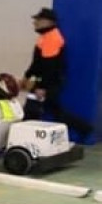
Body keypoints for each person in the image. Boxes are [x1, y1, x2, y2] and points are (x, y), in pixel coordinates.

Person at [22, 7, 93, 136]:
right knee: (54, 111)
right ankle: (85, 128)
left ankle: (24, 137)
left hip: (49, 83)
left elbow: (49, 66)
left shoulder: (52, 38)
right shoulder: (45, 37)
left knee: (33, 110)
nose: (35, 23)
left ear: (49, 22)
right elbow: (38, 63)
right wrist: (27, 76)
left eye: (38, 20)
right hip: (47, 82)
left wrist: (43, 88)